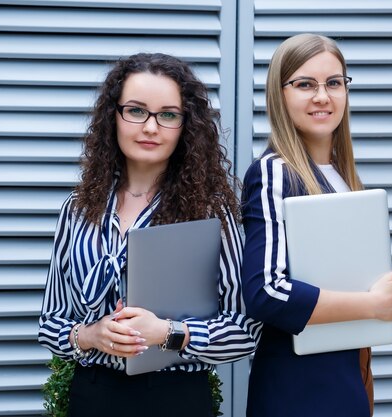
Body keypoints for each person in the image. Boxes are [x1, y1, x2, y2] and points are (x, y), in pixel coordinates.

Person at [38, 52, 260, 417]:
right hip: (92, 394)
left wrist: (168, 333)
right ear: (114, 116)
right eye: (136, 110)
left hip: (176, 398)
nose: (151, 127)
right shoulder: (77, 209)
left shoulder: (211, 212)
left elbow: (245, 329)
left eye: (168, 115)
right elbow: (50, 322)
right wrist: (91, 335)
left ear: (186, 126)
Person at [241, 33, 392, 417]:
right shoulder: (273, 172)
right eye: (305, 84)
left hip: (348, 370)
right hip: (299, 384)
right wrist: (372, 305)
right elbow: (265, 292)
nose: (322, 96)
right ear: (279, 95)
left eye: (334, 83)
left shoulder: (341, 173)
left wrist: (386, 296)